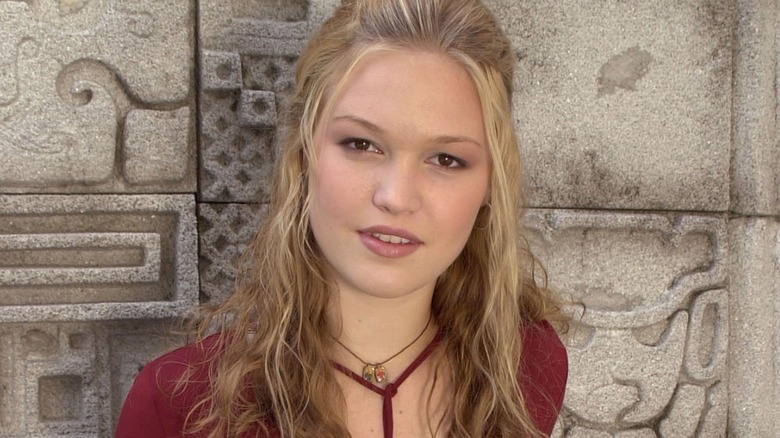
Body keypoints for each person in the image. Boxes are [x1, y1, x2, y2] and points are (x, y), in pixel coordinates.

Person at [116, 0, 568, 436]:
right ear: (303, 154)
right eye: (361, 144)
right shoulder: (178, 405)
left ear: (490, 184)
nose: (396, 197)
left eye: (446, 159)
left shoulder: (526, 366)